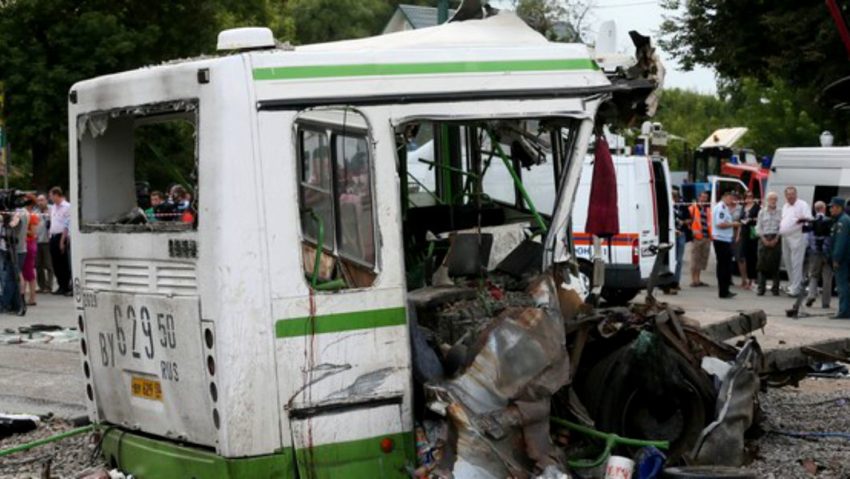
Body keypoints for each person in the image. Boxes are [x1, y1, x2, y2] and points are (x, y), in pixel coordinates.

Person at [779, 186, 811, 296]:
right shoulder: (785, 206)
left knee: (796, 263)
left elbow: (808, 218)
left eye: (792, 194)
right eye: (788, 194)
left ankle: (796, 289)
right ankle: (793, 284)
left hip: (798, 237)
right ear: (785, 196)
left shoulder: (803, 204)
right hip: (785, 237)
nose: (790, 196)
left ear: (796, 194)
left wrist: (800, 220)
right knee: (787, 262)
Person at [805, 201, 833, 309]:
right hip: (827, 253)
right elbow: (830, 238)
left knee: (813, 274)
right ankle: (825, 302)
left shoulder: (811, 221)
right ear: (824, 208)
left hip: (815, 252)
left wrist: (813, 248)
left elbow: (808, 238)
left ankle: (811, 295)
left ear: (815, 209)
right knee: (827, 277)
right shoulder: (829, 221)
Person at [712, 191, 739, 298]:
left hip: (725, 239)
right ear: (725, 196)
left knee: (726, 266)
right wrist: (734, 224)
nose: (732, 199)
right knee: (723, 266)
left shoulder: (725, 207)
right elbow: (720, 224)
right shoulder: (721, 207)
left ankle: (725, 289)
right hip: (721, 240)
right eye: (731, 197)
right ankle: (723, 291)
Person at [756, 192, 783, 296]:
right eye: (771, 199)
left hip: (776, 237)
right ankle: (761, 288)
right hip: (764, 237)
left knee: (775, 265)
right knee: (761, 264)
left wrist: (776, 239)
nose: (773, 201)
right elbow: (758, 226)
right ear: (767, 200)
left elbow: (782, 226)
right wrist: (763, 239)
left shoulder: (780, 211)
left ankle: (775, 289)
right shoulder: (762, 212)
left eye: (775, 199)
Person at [828, 197, 850, 319]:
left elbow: (840, 242)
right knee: (844, 285)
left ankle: (844, 311)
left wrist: (836, 258)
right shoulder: (841, 220)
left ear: (839, 207)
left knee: (842, 285)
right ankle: (845, 309)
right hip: (845, 257)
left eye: (832, 207)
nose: (831, 209)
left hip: (843, 259)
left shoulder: (843, 221)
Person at [49, 187, 72, 296]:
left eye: (51, 196)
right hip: (53, 236)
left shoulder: (67, 207)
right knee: (55, 263)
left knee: (63, 262)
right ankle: (60, 285)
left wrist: (63, 240)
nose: (50, 198)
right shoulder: (53, 207)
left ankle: (66, 285)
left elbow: (67, 225)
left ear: (57, 195)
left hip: (61, 236)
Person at [736, 192, 760, 289]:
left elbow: (760, 218)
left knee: (752, 257)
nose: (748, 198)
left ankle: (752, 279)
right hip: (744, 233)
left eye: (750, 197)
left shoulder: (757, 207)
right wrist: (738, 235)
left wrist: (752, 219)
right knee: (742, 256)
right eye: (747, 197)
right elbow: (740, 222)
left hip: (752, 233)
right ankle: (744, 279)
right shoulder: (743, 207)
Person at [688, 191, 712, 287]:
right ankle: (694, 280)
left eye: (706, 197)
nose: (704, 199)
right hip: (697, 238)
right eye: (703, 197)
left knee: (702, 259)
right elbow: (689, 221)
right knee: (695, 259)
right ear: (699, 197)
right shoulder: (692, 208)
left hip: (706, 237)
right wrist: (692, 233)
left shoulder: (708, 209)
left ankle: (698, 279)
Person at [20, 195, 39, 306]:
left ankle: (32, 298)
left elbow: (33, 233)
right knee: (26, 272)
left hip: (29, 244)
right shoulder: (25, 214)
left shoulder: (32, 216)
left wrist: (22, 230)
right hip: (25, 244)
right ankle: (28, 296)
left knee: (29, 272)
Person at [672, 189, 692, 292]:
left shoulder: (682, 205)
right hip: (670, 235)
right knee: (669, 259)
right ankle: (666, 282)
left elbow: (689, 219)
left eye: (675, 195)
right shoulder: (667, 204)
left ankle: (676, 282)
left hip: (681, 235)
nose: (674, 197)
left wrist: (683, 222)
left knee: (678, 260)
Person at [35, 194, 53, 293]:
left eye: (42, 200)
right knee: (38, 265)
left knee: (48, 265)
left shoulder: (52, 209)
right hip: (37, 241)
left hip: (47, 241)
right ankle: (41, 286)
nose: (40, 202)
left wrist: (48, 217)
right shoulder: (35, 212)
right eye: (38, 200)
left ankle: (49, 286)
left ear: (46, 200)